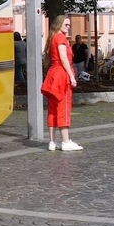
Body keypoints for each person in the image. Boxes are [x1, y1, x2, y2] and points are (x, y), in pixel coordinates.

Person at [41, 15, 82, 151]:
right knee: (63, 107)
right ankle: (66, 141)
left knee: (52, 109)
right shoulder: (61, 38)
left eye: (69, 25)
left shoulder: (53, 37)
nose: (68, 27)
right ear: (59, 25)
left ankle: (52, 142)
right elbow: (63, 58)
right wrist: (71, 76)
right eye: (66, 24)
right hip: (61, 76)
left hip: (53, 75)